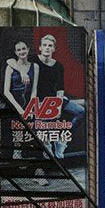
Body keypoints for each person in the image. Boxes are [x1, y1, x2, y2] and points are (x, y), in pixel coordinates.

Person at [34, 32, 85, 161]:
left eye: (50, 45)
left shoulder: (58, 66)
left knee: (81, 111)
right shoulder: (33, 60)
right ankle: (47, 145)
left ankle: (61, 140)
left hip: (54, 100)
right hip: (39, 101)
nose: (47, 48)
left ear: (54, 49)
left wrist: (57, 104)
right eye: (44, 45)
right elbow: (15, 62)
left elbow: (60, 88)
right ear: (40, 47)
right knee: (40, 125)